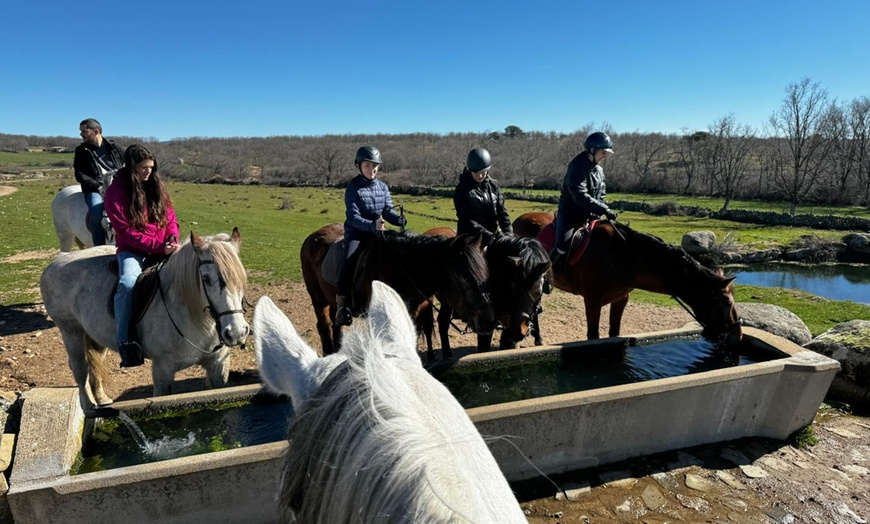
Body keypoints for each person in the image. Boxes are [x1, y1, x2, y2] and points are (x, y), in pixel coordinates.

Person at [104, 144, 179, 367]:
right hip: (132, 250)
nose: (148, 172)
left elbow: (171, 217)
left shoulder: (157, 186)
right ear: (131, 167)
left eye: (150, 167)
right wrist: (158, 247)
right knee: (127, 283)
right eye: (143, 168)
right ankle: (125, 341)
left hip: (163, 246)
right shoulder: (115, 192)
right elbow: (125, 231)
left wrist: (173, 238)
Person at [335, 145, 407, 327]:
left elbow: (388, 211)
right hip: (357, 234)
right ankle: (343, 305)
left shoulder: (382, 187)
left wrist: (398, 219)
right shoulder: (353, 188)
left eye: (375, 166)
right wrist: (371, 225)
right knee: (349, 260)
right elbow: (353, 217)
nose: (372, 169)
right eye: (368, 165)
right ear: (358, 166)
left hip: (378, 233)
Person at [551, 131, 618, 266]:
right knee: (562, 247)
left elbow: (601, 193)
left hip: (591, 215)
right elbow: (579, 195)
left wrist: (601, 210)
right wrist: (603, 208)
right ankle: (545, 273)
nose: (604, 156)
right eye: (603, 152)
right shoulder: (577, 167)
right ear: (592, 150)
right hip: (570, 215)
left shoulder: (599, 170)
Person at [73, 118, 124, 246]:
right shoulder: (81, 151)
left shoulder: (115, 148)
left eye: (84, 131)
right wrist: (98, 186)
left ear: (95, 131)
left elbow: (128, 165)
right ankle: (98, 247)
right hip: (95, 189)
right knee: (96, 214)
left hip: (118, 187)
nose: (81, 134)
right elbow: (80, 174)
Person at [453, 147, 512, 244]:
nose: (479, 176)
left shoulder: (494, 187)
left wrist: (508, 233)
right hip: (470, 239)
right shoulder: (462, 190)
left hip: (492, 237)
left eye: (482, 172)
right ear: (470, 169)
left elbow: (502, 213)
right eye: (475, 172)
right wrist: (489, 236)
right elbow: (467, 220)